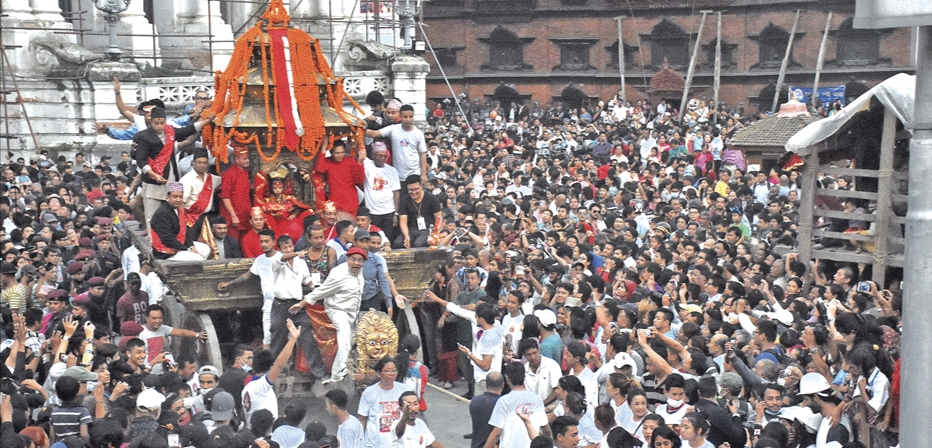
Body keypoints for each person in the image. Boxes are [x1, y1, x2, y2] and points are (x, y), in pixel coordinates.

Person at [289, 246, 367, 384]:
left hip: (351, 311)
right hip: (337, 310)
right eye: (353, 259)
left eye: (360, 260)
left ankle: (347, 368)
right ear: (347, 259)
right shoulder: (339, 274)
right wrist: (302, 303)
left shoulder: (359, 272)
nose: (356, 263)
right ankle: (337, 375)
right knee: (345, 343)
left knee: (352, 341)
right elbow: (322, 291)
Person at [134, 107, 212, 224]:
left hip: (170, 174)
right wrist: (153, 175)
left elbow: (188, 130)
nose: (160, 126)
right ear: (151, 122)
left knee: (171, 209)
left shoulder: (170, 132)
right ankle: (152, 239)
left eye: (162, 123)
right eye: (156, 123)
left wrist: (206, 121)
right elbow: (140, 160)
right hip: (152, 178)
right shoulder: (144, 137)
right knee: (152, 213)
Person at [241, 319, 300, 429]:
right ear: (270, 367)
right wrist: (292, 339)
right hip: (264, 435)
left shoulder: (248, 386)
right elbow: (279, 365)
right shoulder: (260, 386)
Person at [483, 362, 549, 448]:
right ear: (524, 376)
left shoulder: (504, 401)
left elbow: (496, 432)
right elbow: (546, 429)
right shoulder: (537, 399)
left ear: (506, 378)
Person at [365, 104, 429, 187]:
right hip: (398, 175)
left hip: (415, 174)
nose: (408, 119)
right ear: (400, 116)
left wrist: (423, 175)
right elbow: (374, 133)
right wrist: (359, 128)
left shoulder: (418, 134)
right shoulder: (393, 129)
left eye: (410, 117)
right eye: (405, 117)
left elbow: (422, 154)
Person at [357, 357, 413, 448]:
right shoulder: (369, 393)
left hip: (399, 443)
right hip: (374, 444)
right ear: (379, 373)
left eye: (394, 371)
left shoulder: (404, 390)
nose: (391, 374)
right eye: (387, 371)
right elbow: (362, 419)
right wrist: (358, 442)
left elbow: (412, 415)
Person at [149, 182, 210, 261]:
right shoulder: (162, 213)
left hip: (177, 243)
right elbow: (167, 239)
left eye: (181, 197)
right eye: (175, 197)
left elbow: (184, 231)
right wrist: (187, 249)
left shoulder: (177, 210)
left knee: (205, 249)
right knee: (197, 259)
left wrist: (191, 247)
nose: (178, 200)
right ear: (168, 197)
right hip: (165, 252)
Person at [361, 141, 401, 244]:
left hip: (389, 211)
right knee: (372, 240)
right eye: (379, 155)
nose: (382, 158)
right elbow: (358, 147)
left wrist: (396, 213)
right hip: (372, 212)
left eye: (384, 156)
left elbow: (396, 193)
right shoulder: (367, 165)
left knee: (387, 240)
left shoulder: (392, 171)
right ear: (373, 155)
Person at [179, 147, 220, 242]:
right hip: (190, 219)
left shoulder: (212, 178)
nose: (202, 165)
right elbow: (181, 202)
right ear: (193, 163)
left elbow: (224, 181)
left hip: (206, 218)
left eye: (205, 163)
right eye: (199, 162)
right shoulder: (186, 180)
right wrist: (181, 222)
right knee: (191, 244)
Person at [316, 140, 364, 216]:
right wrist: (324, 147)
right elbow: (320, 168)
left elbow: (360, 179)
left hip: (351, 201)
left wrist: (360, 163)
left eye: (342, 152)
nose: (340, 155)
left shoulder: (350, 161)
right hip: (335, 202)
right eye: (337, 153)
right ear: (331, 153)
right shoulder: (329, 161)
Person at [395, 175, 443, 248]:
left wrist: (435, 233)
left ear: (421, 186)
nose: (413, 192)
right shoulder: (404, 201)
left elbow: (438, 218)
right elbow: (403, 221)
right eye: (410, 190)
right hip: (411, 229)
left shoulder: (432, 198)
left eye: (416, 189)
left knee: (418, 244)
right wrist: (406, 235)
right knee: (397, 243)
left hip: (427, 229)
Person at [219, 143, 253, 239]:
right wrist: (233, 216)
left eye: (248, 158)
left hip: (245, 216)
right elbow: (225, 197)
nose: (248, 161)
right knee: (233, 243)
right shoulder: (229, 174)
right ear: (237, 159)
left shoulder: (247, 172)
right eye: (245, 159)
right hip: (233, 217)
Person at [469, 371, 503, 446]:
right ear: (503, 385)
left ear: (486, 385)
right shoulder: (503, 404)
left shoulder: (475, 401)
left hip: (477, 444)